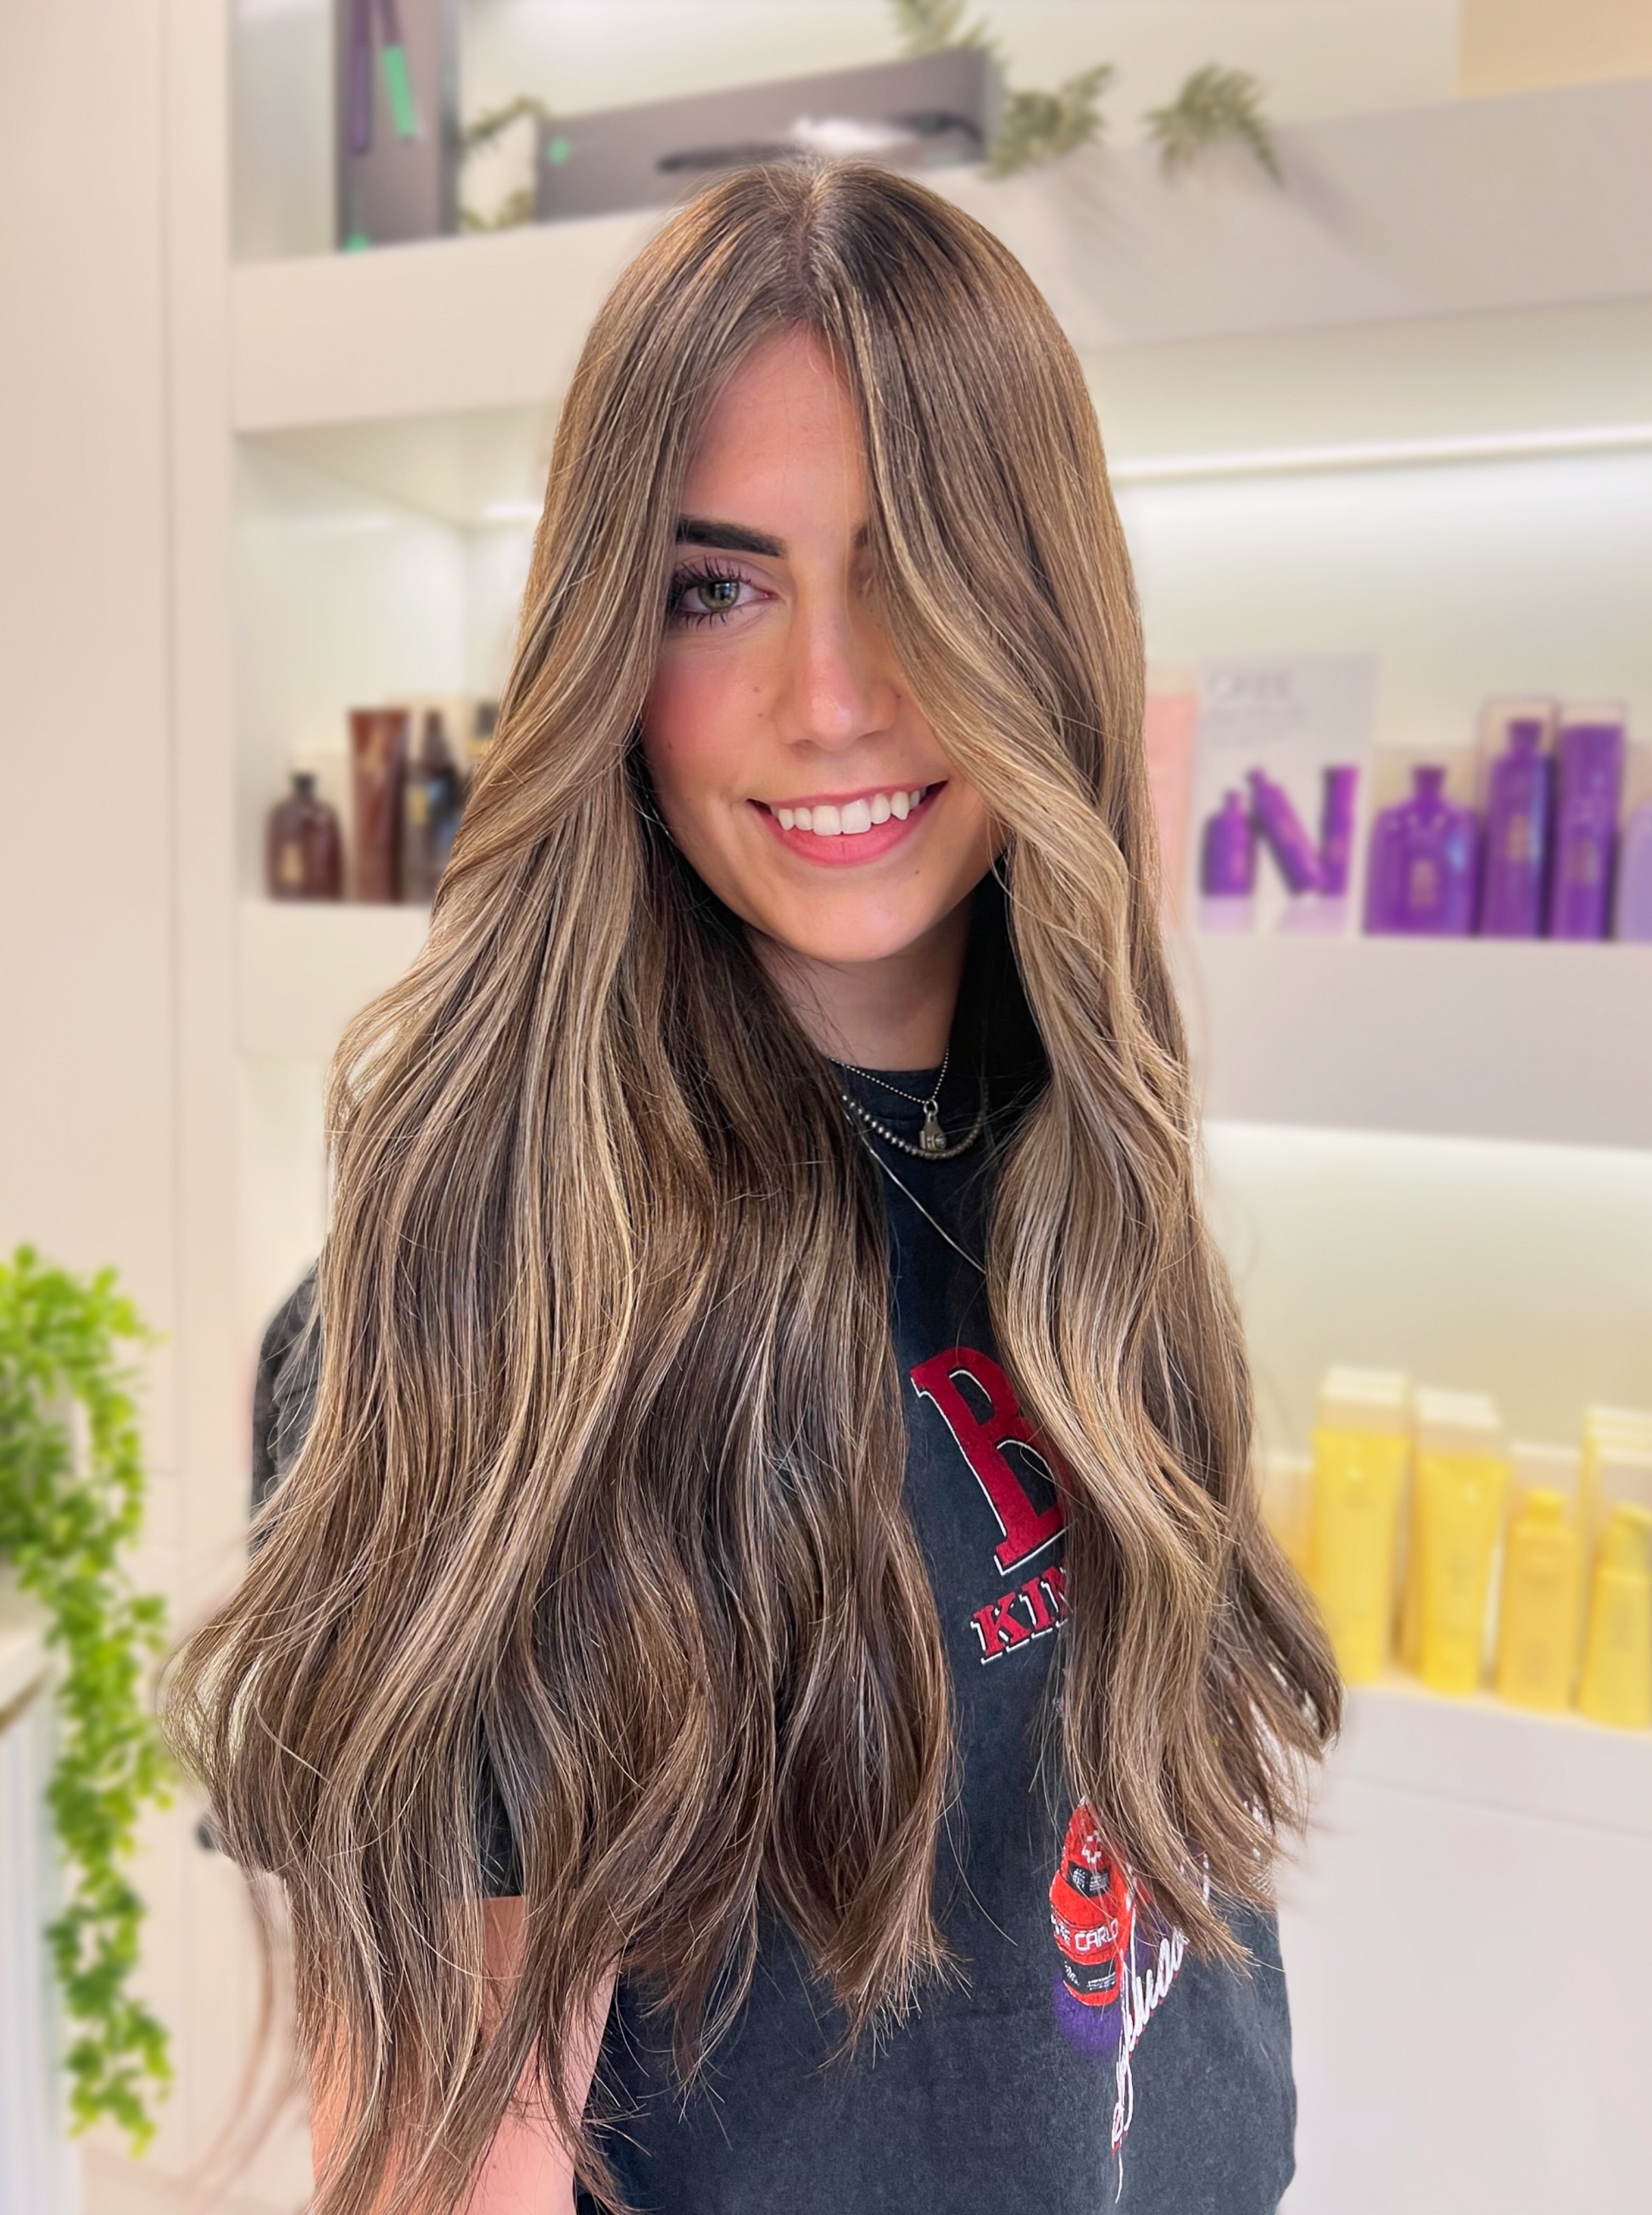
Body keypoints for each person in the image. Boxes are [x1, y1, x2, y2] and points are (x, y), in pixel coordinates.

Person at [168, 158, 1340, 2215]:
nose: (834, 696)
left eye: (914, 570)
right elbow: (457, 2174)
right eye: (720, 586)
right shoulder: (499, 1311)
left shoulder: (1082, 1186)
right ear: (610, 651)